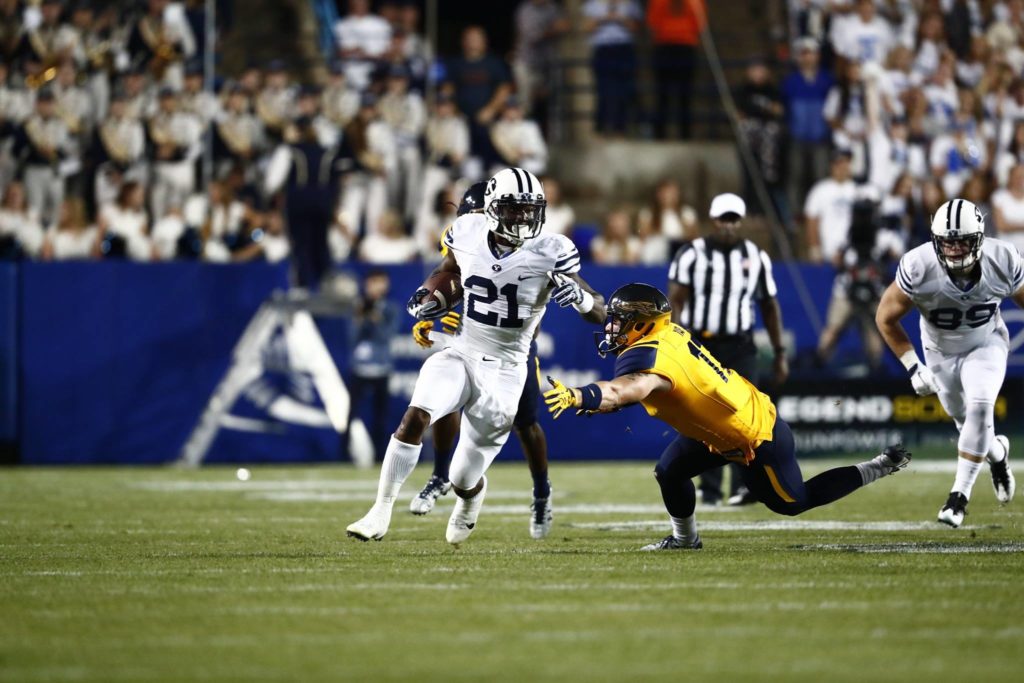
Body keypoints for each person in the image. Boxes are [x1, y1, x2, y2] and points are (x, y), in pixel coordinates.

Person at [346, 167, 606, 545]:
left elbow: (598, 308)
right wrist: (430, 296)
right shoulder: (466, 233)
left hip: (507, 369)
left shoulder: (553, 250)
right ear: (491, 208)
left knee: (462, 478)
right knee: (416, 415)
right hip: (464, 350)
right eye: (513, 208)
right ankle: (379, 511)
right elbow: (449, 271)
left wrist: (582, 299)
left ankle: (470, 499)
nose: (522, 217)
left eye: (529, 209)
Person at [543, 283, 911, 549]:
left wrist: (581, 396)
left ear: (642, 324)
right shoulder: (664, 331)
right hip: (714, 430)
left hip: (751, 434)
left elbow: (626, 389)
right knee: (669, 472)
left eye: (620, 320)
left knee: (792, 502)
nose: (610, 326)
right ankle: (685, 541)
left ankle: (878, 466)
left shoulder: (653, 356)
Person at [410, 181, 557, 539]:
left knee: (526, 423)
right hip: (466, 340)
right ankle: (440, 475)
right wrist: (432, 316)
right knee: (442, 406)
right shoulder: (464, 236)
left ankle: (541, 492)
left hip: (511, 349)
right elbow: (449, 279)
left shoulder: (526, 242)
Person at [875, 199, 1020, 528]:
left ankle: (958, 498)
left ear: (979, 238)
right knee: (964, 420)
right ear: (935, 240)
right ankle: (996, 454)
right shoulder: (918, 265)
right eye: (948, 242)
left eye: (963, 241)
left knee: (981, 406)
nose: (955, 249)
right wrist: (913, 365)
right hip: (939, 350)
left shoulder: (1004, 259)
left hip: (986, 342)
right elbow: (885, 318)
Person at [667, 193, 788, 506]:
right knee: (702, 414)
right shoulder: (691, 254)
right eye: (724, 219)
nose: (729, 226)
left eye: (735, 220)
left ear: (741, 221)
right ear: (713, 220)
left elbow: (769, 305)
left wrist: (779, 352)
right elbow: (676, 300)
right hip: (701, 344)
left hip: (740, 342)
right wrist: (675, 343)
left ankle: (745, 485)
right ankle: (709, 489)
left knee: (746, 415)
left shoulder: (755, 256)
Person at [264, 115, 347, 289]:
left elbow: (272, 182)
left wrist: (267, 198)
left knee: (301, 245)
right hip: (323, 204)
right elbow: (337, 181)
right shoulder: (327, 152)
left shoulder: (290, 150)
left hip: (298, 204)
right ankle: (324, 281)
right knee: (320, 244)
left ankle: (302, 286)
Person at [349, 270, 400, 460]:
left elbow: (385, 337)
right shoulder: (358, 306)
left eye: (381, 282)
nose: (377, 287)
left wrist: (375, 319)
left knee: (381, 416)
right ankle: (345, 455)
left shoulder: (390, 308)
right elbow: (352, 338)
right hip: (359, 367)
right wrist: (360, 318)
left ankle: (380, 456)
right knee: (351, 415)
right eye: (374, 282)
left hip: (381, 367)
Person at [646, 0, 705, 140]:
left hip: (683, 47)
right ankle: (660, 134)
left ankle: (684, 134)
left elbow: (700, 23)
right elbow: (653, 22)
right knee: (663, 94)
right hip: (666, 46)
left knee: (684, 94)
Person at [582, 0, 641, 136]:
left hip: (623, 48)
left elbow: (636, 27)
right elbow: (588, 27)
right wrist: (604, 19)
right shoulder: (593, 4)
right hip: (603, 48)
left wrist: (620, 19)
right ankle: (601, 128)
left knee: (623, 89)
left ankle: (620, 129)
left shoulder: (630, 4)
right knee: (603, 89)